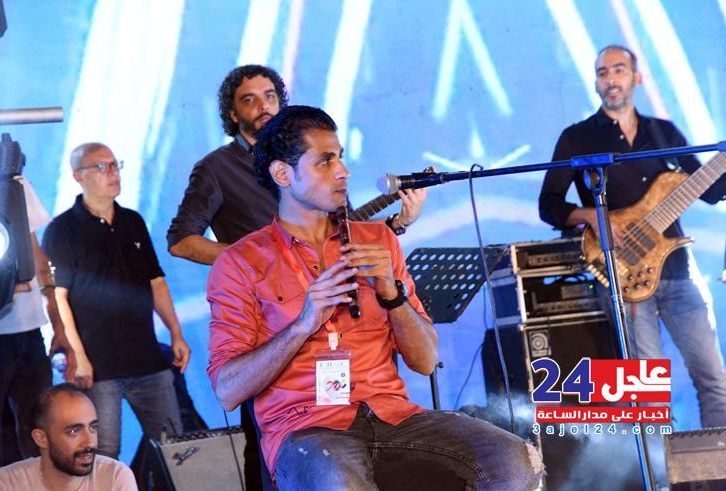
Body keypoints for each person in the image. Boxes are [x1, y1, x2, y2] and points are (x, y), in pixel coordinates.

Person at [207, 105, 541, 490]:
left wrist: (391, 294)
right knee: (338, 478)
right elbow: (228, 392)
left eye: (341, 157)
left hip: (394, 416)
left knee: (515, 459)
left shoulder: (378, 240)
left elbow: (425, 361)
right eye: (325, 161)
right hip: (308, 429)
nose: (343, 171)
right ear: (283, 174)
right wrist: (302, 325)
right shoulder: (240, 262)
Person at [538, 44, 726, 428]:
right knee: (648, 393)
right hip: (625, 275)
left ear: (636, 78)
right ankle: (659, 466)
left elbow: (709, 191)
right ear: (596, 83)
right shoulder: (577, 138)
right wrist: (592, 216)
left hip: (679, 272)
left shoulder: (663, 132)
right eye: (602, 72)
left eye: (618, 70)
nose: (610, 79)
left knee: (715, 381)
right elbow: (549, 204)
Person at [167, 64, 427, 265]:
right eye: (249, 100)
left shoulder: (312, 157)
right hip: (266, 302)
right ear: (233, 114)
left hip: (330, 292)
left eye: (270, 96)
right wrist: (250, 258)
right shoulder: (215, 167)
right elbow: (181, 242)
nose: (263, 106)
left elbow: (345, 229)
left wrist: (398, 222)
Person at [41, 142, 191, 459]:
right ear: (78, 176)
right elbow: (59, 297)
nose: (112, 173)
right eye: (101, 166)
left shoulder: (132, 221)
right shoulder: (62, 230)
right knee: (104, 452)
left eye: (115, 164)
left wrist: (176, 333)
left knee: (175, 449)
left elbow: (156, 280)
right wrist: (78, 355)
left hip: (147, 357)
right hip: (99, 365)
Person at [0, 125, 77, 472]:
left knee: (41, 428)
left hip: (29, 333)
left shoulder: (14, 182)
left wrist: (58, 325)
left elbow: (37, 255)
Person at [0, 383, 136, 490]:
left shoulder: (115, 476)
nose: (89, 442)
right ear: (41, 438)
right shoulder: (3, 484)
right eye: (74, 431)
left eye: (93, 428)